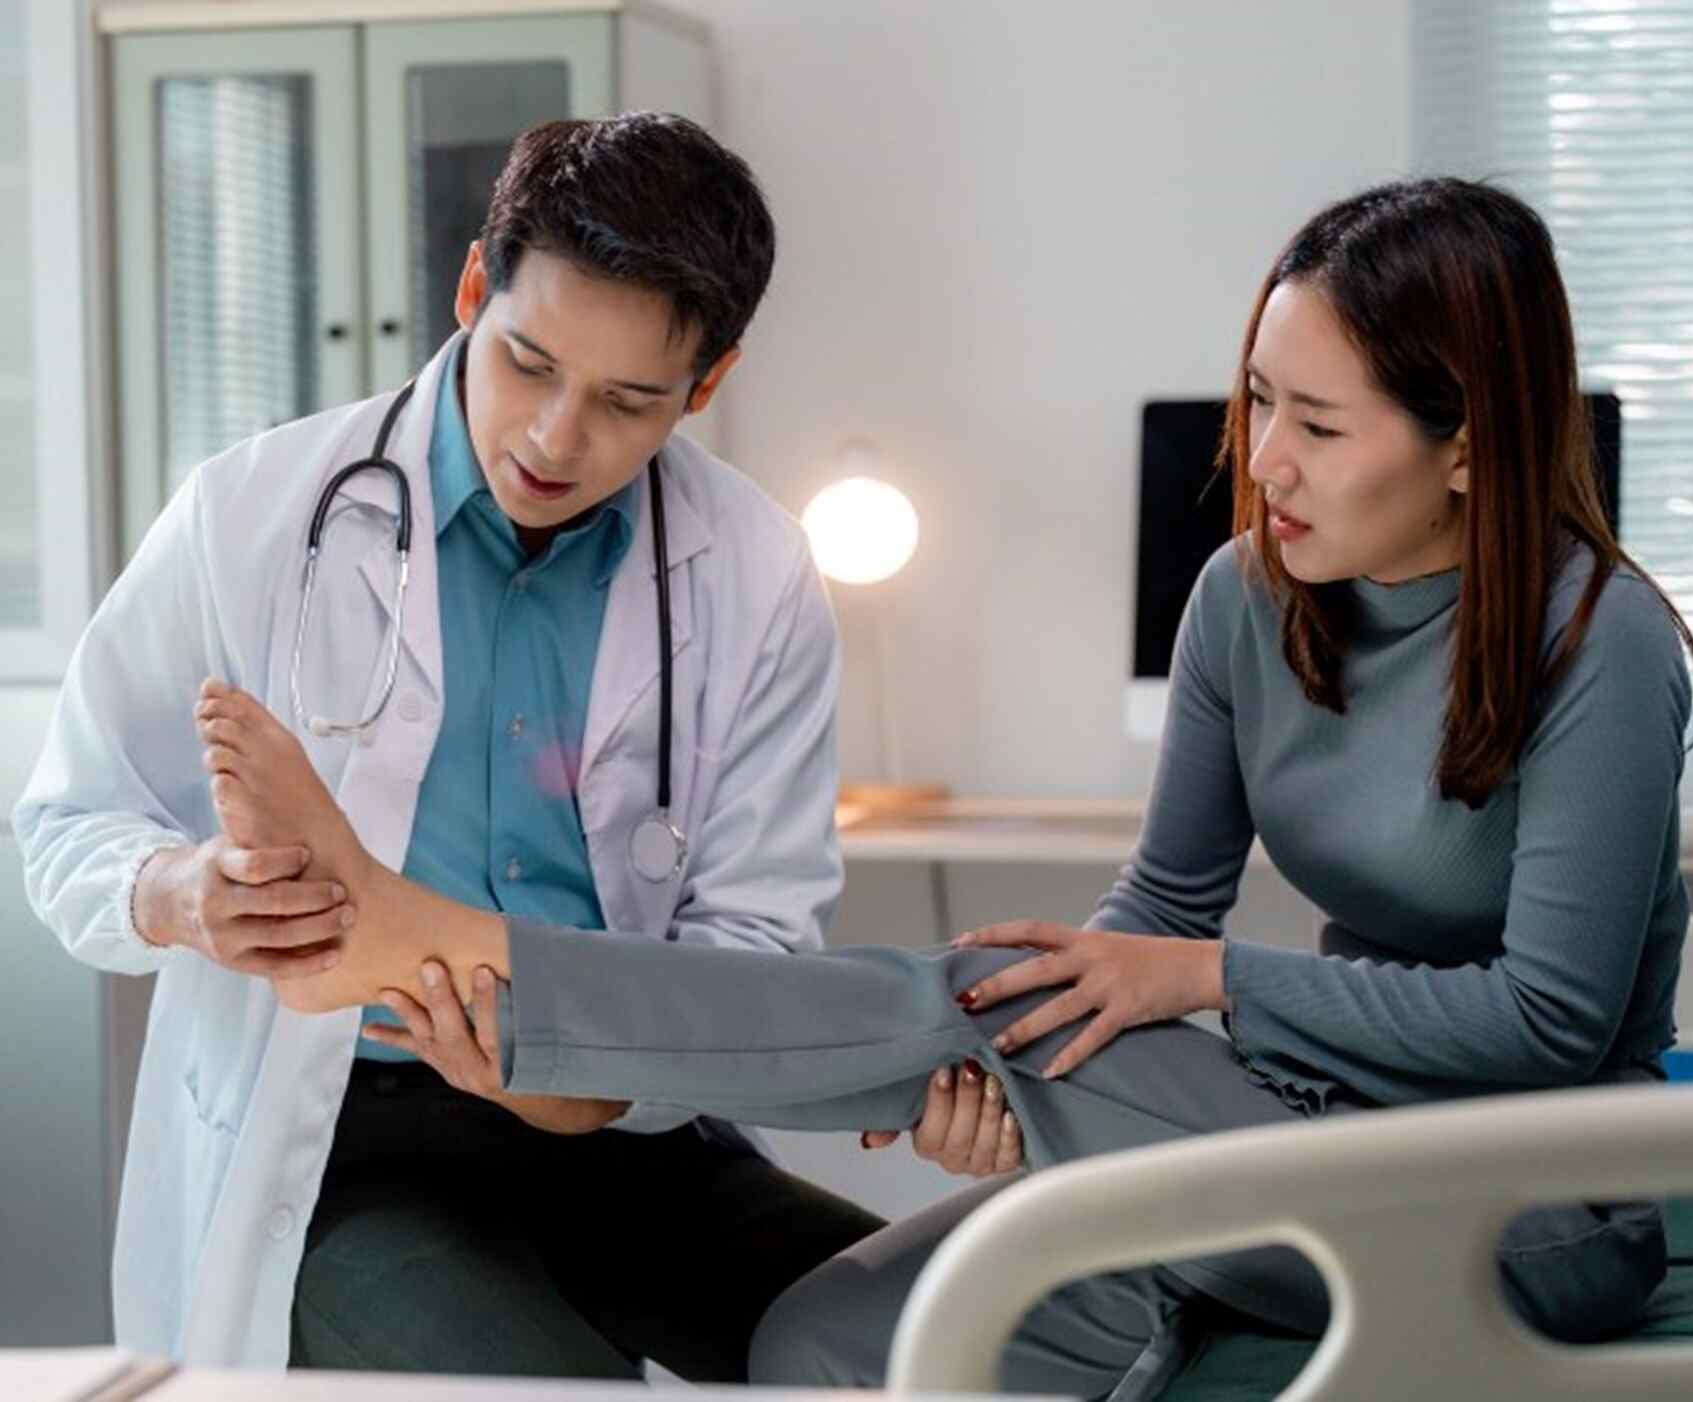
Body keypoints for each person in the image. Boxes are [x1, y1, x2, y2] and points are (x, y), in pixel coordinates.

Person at [188, 176, 1693, 1399]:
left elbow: (1544, 1023)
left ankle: (456, 960)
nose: (1266, 461)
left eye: (1319, 427)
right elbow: (1153, 913)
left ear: (1467, 450)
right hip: (1284, 1130)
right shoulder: (1250, 598)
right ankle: (514, 984)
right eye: (1258, 402)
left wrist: (1189, 984)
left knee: (982, 990)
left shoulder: (1603, 642)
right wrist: (1042, 1084)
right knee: (835, 1344)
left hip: (1519, 1193)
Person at [8, 112, 981, 1379]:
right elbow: (68, 819)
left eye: (630, 402)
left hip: (629, 1122)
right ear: (473, 287)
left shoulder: (753, 569)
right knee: (533, 1387)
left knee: (963, 1341)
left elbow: (753, 953)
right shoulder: (253, 513)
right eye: (527, 363)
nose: (554, 439)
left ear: (710, 381)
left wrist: (577, 1083)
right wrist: (181, 894)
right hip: (354, 1140)